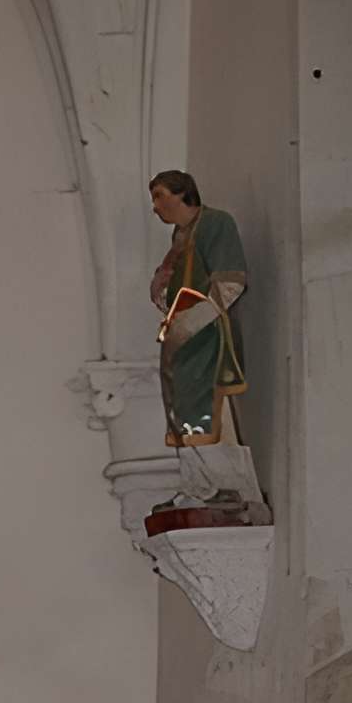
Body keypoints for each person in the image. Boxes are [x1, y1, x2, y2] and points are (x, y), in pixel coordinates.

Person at [146, 172, 261, 511]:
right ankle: (199, 485)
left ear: (183, 194)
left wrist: (190, 323)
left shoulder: (215, 223)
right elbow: (175, 289)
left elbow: (230, 282)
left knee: (208, 409)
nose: (155, 207)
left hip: (206, 335)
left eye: (160, 196)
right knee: (182, 409)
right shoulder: (180, 237)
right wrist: (162, 287)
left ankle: (228, 487)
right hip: (182, 339)